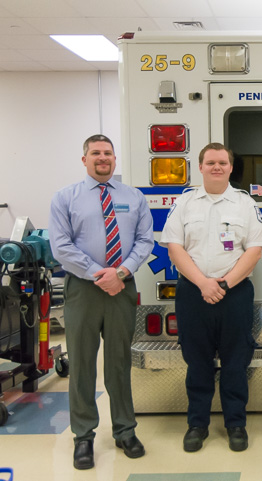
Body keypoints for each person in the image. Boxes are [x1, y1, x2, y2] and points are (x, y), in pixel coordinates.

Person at [49, 134, 154, 470]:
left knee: (120, 362)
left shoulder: (133, 197)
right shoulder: (65, 198)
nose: (103, 158)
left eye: (108, 153)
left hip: (121, 287)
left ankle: (125, 430)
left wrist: (120, 272)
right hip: (83, 288)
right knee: (81, 363)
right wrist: (100, 274)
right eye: (96, 153)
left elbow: (144, 240)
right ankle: (83, 436)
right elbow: (61, 247)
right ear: (84, 159)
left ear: (114, 158)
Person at [160, 143, 262, 453]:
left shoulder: (245, 204)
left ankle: (236, 424)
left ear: (231, 168)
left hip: (234, 293)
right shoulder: (184, 203)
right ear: (201, 166)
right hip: (193, 293)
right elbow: (175, 248)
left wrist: (223, 284)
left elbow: (256, 248)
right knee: (197, 362)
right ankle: (198, 424)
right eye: (211, 162)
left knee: (236, 362)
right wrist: (203, 284)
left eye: (222, 162)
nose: (217, 167)